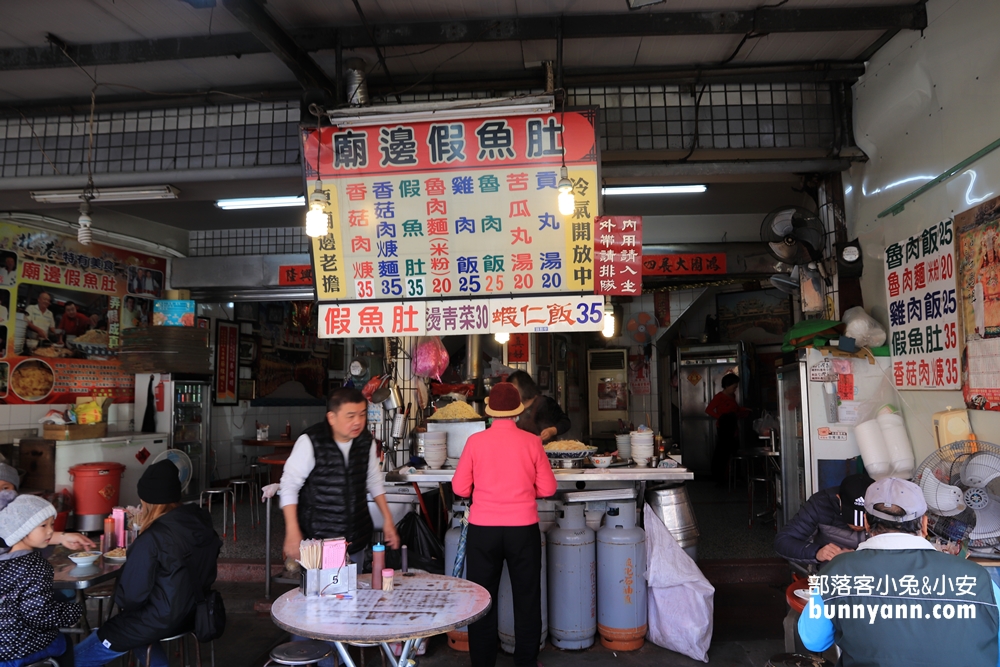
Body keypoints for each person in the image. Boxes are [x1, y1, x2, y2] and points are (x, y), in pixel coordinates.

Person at [799, 477, 1000, 665]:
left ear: (867, 523)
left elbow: (813, 641)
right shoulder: (977, 577)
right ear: (923, 524)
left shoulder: (836, 573)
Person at [75, 460, 222, 667]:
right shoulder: (200, 523)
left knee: (80, 655)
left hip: (161, 618)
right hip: (195, 612)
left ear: (147, 501)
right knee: (137, 632)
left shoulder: (152, 539)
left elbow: (130, 598)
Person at [453, 381, 557, 667]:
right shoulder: (532, 442)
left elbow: (460, 488)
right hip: (523, 531)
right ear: (517, 412)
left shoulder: (475, 442)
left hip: (483, 532)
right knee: (527, 599)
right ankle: (525, 662)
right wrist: (525, 491)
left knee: (482, 600)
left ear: (489, 412)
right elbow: (548, 488)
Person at [280, 387, 401, 564]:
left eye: (362, 414)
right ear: (332, 418)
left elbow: (374, 480)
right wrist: (292, 530)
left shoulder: (365, 442)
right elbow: (289, 486)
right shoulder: (311, 441)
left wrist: (388, 520)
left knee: (354, 588)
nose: (358, 422)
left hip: (356, 537)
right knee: (324, 591)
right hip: (320, 540)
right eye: (350, 416)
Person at [0, 491, 83, 667]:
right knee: (64, 642)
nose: (51, 531)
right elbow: (38, 615)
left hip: (2, 649)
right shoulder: (35, 565)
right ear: (22, 528)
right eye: (43, 526)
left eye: (51, 524)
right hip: (19, 649)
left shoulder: (4, 561)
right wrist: (73, 612)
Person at [775, 473, 875, 568]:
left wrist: (861, 556)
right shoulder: (820, 504)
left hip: (873, 572)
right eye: (851, 518)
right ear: (839, 498)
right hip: (830, 572)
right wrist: (818, 552)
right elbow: (783, 541)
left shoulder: (885, 507)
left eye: (865, 519)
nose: (858, 526)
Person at [0, 462, 95, 556]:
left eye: (5, 488)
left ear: (15, 489)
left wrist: (63, 537)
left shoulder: (18, 511)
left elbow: (28, 534)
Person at [706, 372, 749, 484]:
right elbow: (709, 410)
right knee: (722, 453)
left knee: (734, 451)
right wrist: (721, 418)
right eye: (734, 387)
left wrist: (744, 410)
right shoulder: (719, 397)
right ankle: (719, 478)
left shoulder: (732, 396)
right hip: (724, 427)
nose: (735, 389)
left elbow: (736, 409)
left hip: (733, 426)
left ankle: (733, 476)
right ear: (727, 385)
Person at [507, 370, 571, 443]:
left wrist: (552, 430)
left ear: (525, 388)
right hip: (520, 451)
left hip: (544, 451)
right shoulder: (510, 408)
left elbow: (565, 422)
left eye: (514, 390)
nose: (511, 394)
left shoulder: (546, 403)